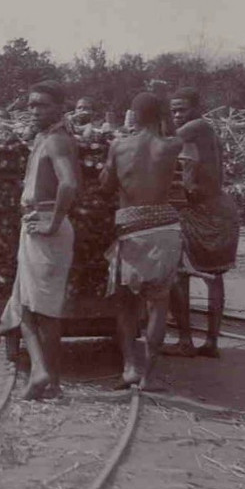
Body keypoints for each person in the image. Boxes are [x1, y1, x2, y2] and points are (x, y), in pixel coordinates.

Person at [0, 81, 81, 400]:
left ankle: (40, 371)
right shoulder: (45, 138)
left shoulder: (57, 140)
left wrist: (53, 223)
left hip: (44, 225)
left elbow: (70, 184)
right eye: (31, 105)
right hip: (37, 222)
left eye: (42, 105)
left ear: (60, 107)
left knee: (37, 309)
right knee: (31, 303)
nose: (34, 111)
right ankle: (52, 380)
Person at [99, 92, 186, 389]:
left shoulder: (118, 146)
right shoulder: (172, 145)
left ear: (133, 115)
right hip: (165, 227)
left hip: (131, 228)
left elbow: (105, 185)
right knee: (159, 303)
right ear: (162, 114)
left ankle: (129, 367)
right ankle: (149, 375)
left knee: (126, 304)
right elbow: (172, 132)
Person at [167, 86, 242, 358]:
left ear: (196, 109)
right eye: (173, 110)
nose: (176, 115)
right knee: (211, 278)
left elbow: (163, 143)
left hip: (205, 212)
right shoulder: (202, 133)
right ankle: (210, 342)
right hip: (215, 211)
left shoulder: (196, 127)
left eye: (181, 109)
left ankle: (187, 340)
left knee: (180, 275)